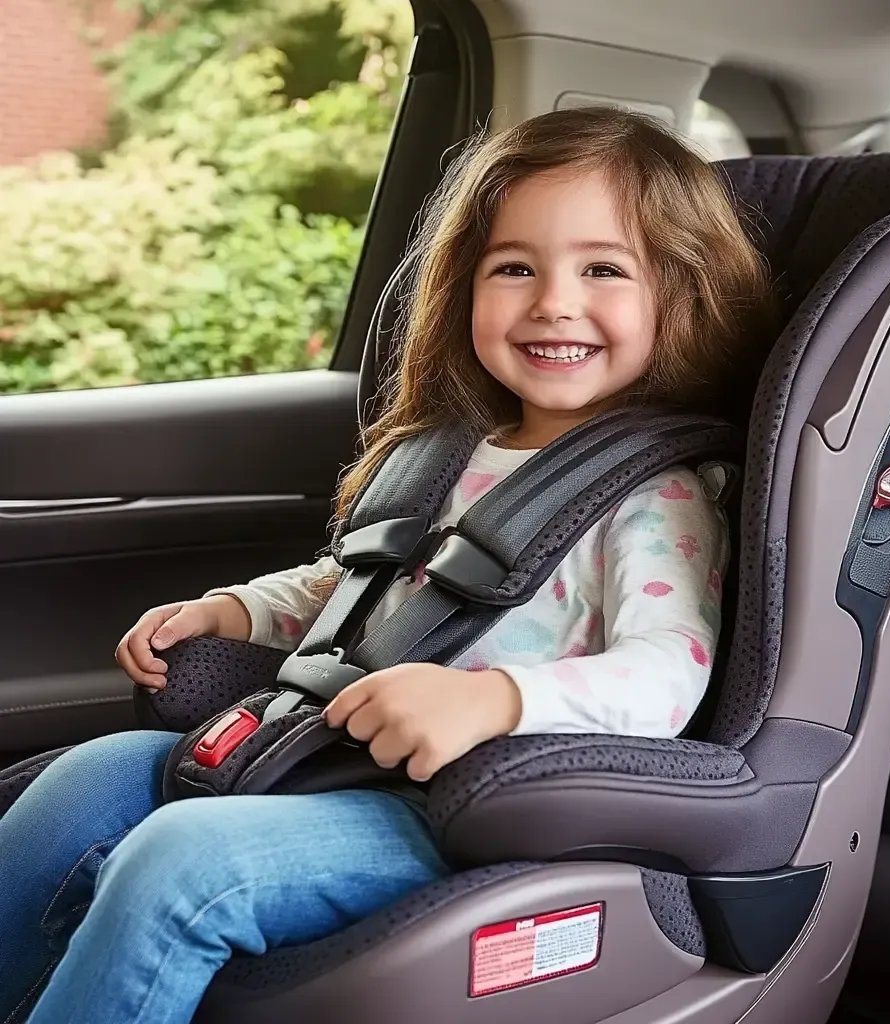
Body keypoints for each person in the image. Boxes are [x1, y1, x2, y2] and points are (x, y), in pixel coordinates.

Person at [0, 105, 774, 1024]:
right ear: (466, 289)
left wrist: (495, 700)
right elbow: (359, 585)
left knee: (186, 867)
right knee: (80, 785)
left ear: (680, 294)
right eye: (514, 268)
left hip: (472, 809)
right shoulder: (453, 450)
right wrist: (237, 610)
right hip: (328, 751)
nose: (553, 301)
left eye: (603, 270)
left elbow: (667, 675)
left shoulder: (656, 496)